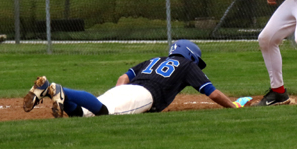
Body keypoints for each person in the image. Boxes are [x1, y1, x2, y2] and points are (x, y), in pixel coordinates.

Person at [22, 40, 248, 117]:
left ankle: (54, 91)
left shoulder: (154, 59)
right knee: (103, 113)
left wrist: (119, 93)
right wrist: (232, 106)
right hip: (145, 95)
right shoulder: (187, 65)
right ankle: (59, 89)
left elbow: (123, 77)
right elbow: (212, 92)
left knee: (82, 114)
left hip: (126, 89)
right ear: (190, 55)